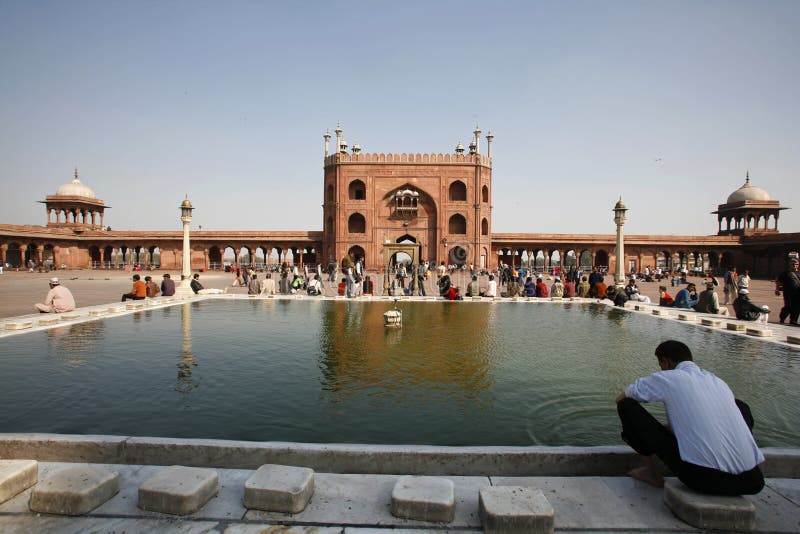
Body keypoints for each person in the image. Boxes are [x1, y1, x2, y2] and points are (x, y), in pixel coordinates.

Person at [616, 340, 764, 496]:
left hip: (704, 479)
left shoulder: (669, 378)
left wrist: (655, 431)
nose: (661, 369)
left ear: (666, 361)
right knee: (740, 406)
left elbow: (621, 398)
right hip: (753, 480)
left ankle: (651, 473)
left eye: (660, 365)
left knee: (627, 406)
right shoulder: (717, 381)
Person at [775, 257, 800, 326]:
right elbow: (778, 282)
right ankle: (782, 319)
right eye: (793, 264)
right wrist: (777, 290)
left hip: (798, 294)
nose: (795, 266)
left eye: (796, 264)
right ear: (790, 265)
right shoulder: (785, 273)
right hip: (788, 293)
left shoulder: (799, 273)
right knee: (788, 307)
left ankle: (793, 320)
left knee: (797, 307)